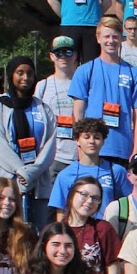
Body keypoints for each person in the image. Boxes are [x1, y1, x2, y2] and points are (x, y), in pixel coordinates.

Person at [0, 56, 57, 232]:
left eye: (30, 74)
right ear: (11, 75)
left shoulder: (43, 108)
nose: (25, 78)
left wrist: (32, 172)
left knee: (37, 234)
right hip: (7, 177)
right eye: (20, 73)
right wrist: (21, 170)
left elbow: (50, 143)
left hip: (38, 181)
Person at [70, 17, 137, 165]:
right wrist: (80, 146)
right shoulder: (85, 70)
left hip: (123, 149)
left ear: (121, 38)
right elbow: (78, 113)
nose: (111, 41)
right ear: (98, 38)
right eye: (106, 36)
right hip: (92, 149)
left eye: (115, 36)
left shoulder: (134, 73)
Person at [48, 119, 132, 219]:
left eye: (96, 137)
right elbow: (61, 212)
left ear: (103, 141)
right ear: (77, 140)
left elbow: (130, 202)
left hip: (107, 229)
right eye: (86, 137)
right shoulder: (65, 175)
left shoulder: (116, 171)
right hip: (77, 231)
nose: (91, 141)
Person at [35, 37, 79, 197]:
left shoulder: (84, 82)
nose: (63, 57)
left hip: (79, 155)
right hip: (53, 157)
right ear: (51, 56)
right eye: (58, 52)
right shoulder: (43, 86)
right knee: (52, 209)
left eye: (68, 52)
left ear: (75, 55)